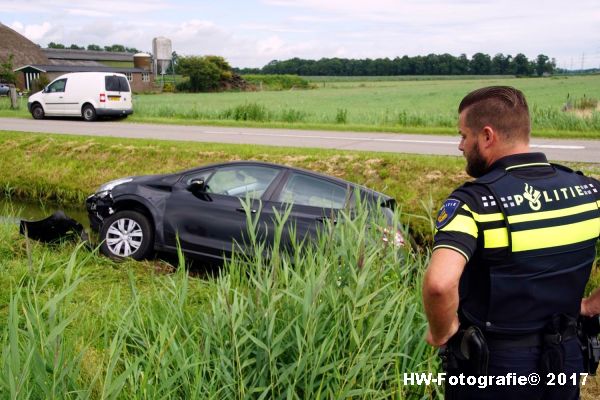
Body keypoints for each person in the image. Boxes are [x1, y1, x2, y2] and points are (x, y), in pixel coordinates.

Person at [422, 86, 600, 399]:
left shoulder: (473, 204)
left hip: (495, 366)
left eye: (464, 135)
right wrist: (589, 305)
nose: (460, 145)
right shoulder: (588, 192)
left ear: (487, 136)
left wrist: (442, 332)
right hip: (567, 357)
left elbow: (439, 284)